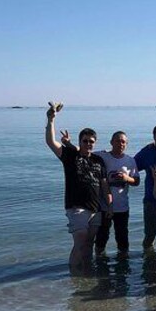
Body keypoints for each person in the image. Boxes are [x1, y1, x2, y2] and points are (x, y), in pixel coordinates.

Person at [45, 103, 112, 276]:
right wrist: (51, 119)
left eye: (91, 142)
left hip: (96, 208)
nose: (88, 144)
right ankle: (74, 275)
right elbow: (51, 142)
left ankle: (86, 272)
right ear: (80, 141)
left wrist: (109, 206)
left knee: (89, 243)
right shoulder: (70, 156)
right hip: (77, 207)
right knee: (80, 241)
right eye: (85, 141)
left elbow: (104, 185)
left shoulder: (98, 160)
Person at [95, 131, 139, 256]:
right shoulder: (103, 156)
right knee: (101, 237)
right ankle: (99, 262)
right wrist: (68, 144)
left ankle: (123, 265)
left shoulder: (130, 160)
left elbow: (136, 181)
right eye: (117, 141)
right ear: (111, 142)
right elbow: (84, 151)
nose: (120, 144)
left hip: (122, 207)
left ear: (126, 144)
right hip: (104, 206)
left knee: (122, 238)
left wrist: (127, 178)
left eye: (123, 141)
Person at [134, 124, 156, 251]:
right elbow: (132, 167)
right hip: (152, 201)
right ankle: (149, 262)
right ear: (153, 136)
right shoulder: (147, 152)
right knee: (150, 236)